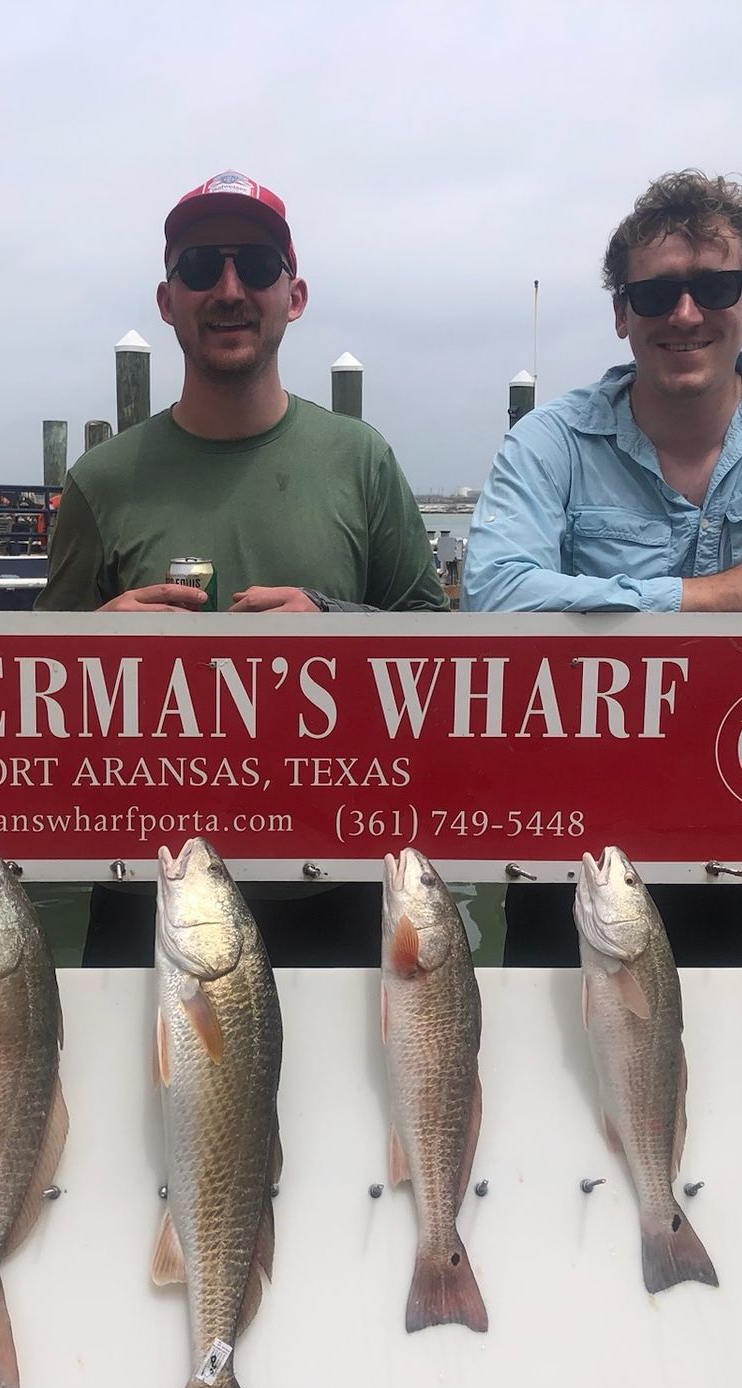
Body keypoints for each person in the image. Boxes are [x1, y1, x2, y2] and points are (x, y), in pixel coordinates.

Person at [464, 170, 742, 965]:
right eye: (656, 295)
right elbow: (492, 597)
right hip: (578, 849)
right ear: (623, 314)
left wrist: (610, 626)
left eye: (715, 285)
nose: (686, 313)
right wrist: (715, 597)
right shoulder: (548, 440)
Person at [38, 169, 448, 967]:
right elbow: (37, 694)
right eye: (200, 268)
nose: (229, 288)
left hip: (332, 876)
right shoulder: (100, 479)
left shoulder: (360, 459)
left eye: (256, 266)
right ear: (167, 301)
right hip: (146, 887)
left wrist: (332, 621)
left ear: (293, 295)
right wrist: (93, 638)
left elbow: (436, 645)